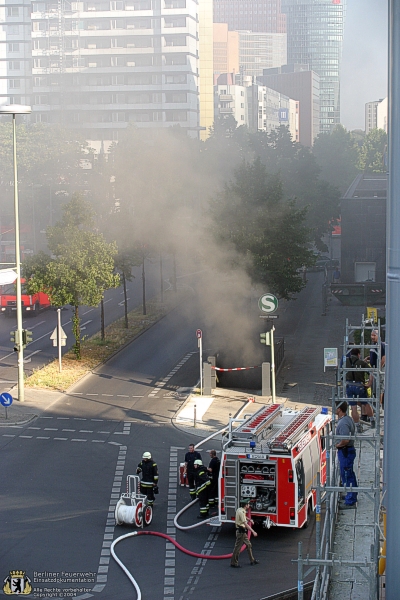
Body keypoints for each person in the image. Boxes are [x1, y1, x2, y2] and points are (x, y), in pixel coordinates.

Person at [335, 401, 357, 508]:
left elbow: (346, 440)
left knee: (347, 475)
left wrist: (337, 445)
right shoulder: (347, 419)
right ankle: (351, 494)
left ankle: (350, 500)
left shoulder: (343, 423)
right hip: (347, 451)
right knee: (349, 474)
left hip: (345, 451)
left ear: (339, 409)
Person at [345, 347, 371, 432]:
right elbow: (372, 372)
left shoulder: (346, 361)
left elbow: (340, 370)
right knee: (366, 403)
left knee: (353, 408)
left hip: (349, 385)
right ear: (358, 355)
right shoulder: (361, 363)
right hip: (359, 386)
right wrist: (369, 383)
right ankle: (372, 420)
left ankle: (357, 425)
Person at [230, 499, 259, 568]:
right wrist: (253, 531)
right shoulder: (241, 512)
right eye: (248, 504)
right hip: (241, 532)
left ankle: (252, 560)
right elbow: (245, 524)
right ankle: (234, 563)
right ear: (245, 505)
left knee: (248, 545)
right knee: (238, 548)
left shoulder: (240, 510)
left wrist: (249, 519)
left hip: (242, 531)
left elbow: (244, 517)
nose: (249, 505)